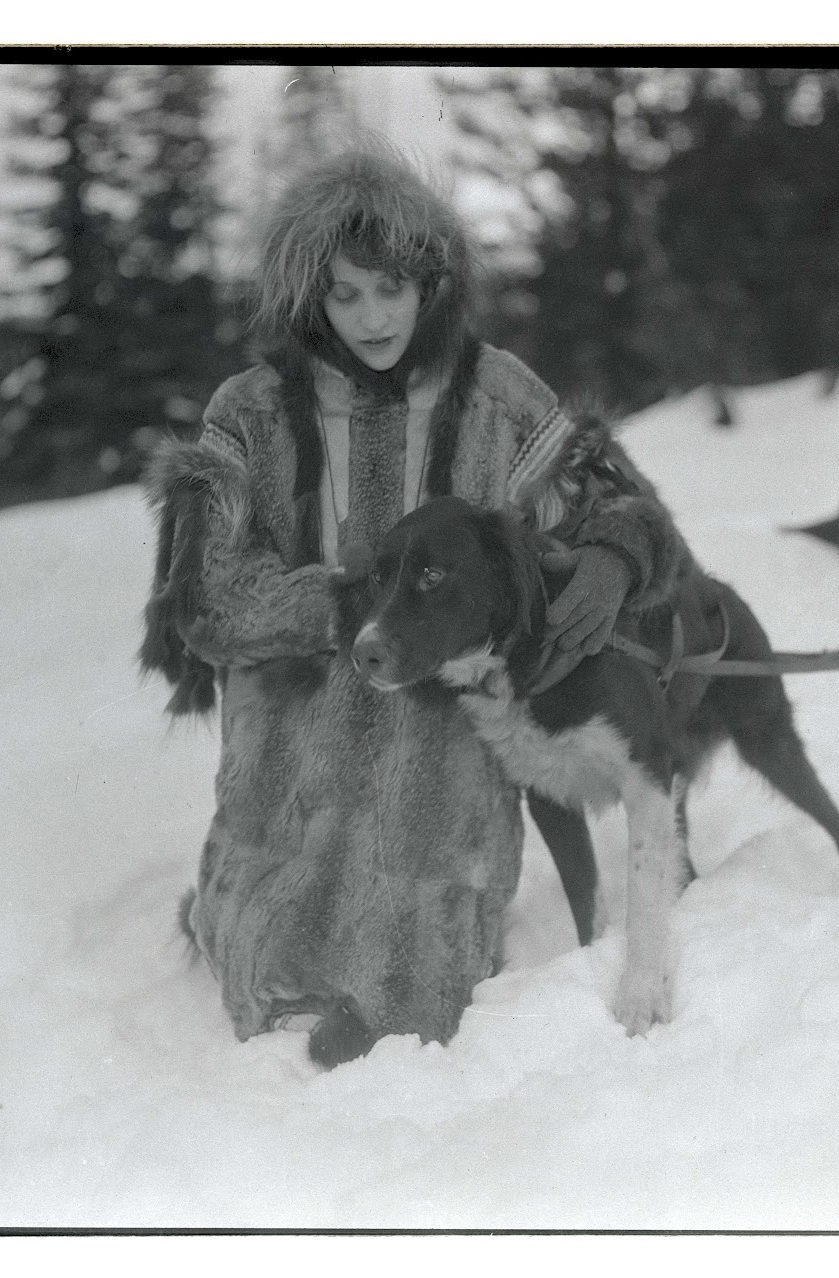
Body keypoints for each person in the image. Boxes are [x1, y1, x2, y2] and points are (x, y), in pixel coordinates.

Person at [141, 144, 683, 1066]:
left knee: (428, 974)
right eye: (344, 295)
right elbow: (207, 599)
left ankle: (409, 974)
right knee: (274, 971)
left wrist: (609, 560)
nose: (371, 317)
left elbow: (621, 505)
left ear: (429, 282)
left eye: (390, 288)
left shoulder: (498, 394)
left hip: (448, 753)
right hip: (291, 746)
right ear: (309, 297)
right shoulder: (253, 411)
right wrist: (354, 612)